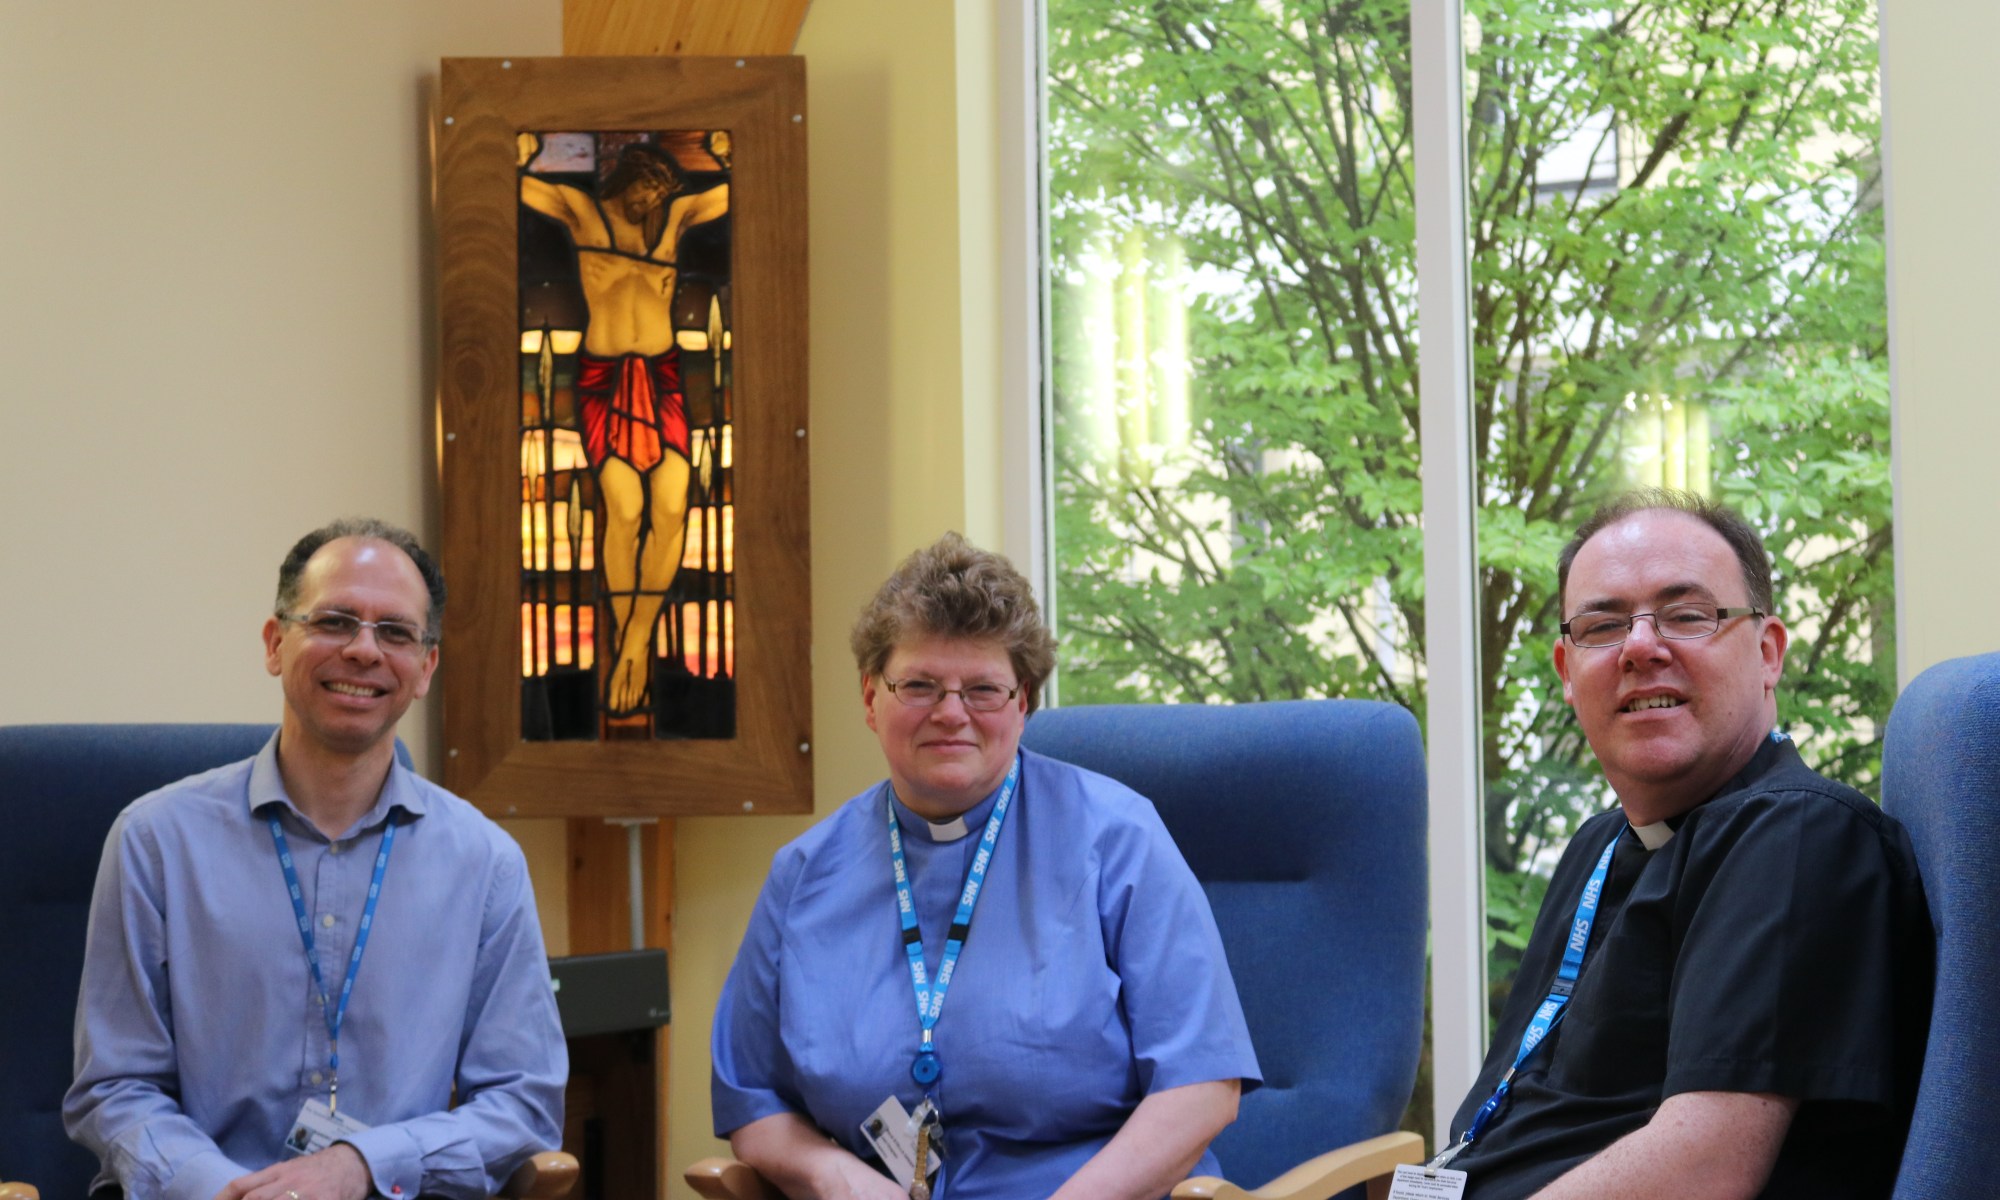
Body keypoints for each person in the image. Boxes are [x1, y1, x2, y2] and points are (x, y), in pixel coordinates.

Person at [711, 533, 1261, 1200]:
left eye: (982, 689)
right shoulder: (802, 874)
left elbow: (1203, 1087)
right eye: (920, 685)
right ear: (870, 697)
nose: (951, 713)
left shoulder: (1119, 840)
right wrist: (834, 1175)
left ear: (1022, 702)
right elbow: (752, 1098)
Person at [1436, 490, 1931, 1198]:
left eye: (1688, 615)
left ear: (1767, 652)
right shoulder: (1602, 842)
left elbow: (1703, 1168)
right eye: (1603, 626)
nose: (1640, 647)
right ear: (1568, 674)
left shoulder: (1798, 836)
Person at [65, 518, 567, 1200]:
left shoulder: (486, 864)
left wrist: (364, 1165)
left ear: (426, 668)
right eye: (334, 622)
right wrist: (227, 1190)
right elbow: (115, 1087)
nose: (364, 650)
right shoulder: (155, 843)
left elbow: (523, 1103)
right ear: (275, 644)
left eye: (396, 633)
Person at [518, 134, 731, 714]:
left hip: (662, 378)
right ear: (628, 178)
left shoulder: (672, 222)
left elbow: (724, 198)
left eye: (661, 195)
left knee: (673, 503)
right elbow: (531, 191)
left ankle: (635, 642)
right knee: (626, 508)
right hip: (604, 380)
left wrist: (725, 157)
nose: (653, 203)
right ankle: (628, 641)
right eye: (648, 191)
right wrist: (521, 156)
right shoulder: (584, 214)